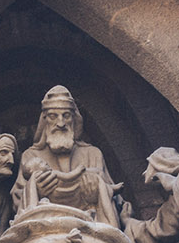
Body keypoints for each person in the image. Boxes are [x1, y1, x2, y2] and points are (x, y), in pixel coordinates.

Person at [12, 85, 122, 227]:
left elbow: (113, 198)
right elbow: (18, 199)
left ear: (74, 119)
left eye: (66, 116)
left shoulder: (92, 153)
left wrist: (95, 195)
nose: (61, 123)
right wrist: (36, 190)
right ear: (45, 120)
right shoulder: (31, 155)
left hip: (89, 222)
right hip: (47, 225)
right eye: (53, 116)